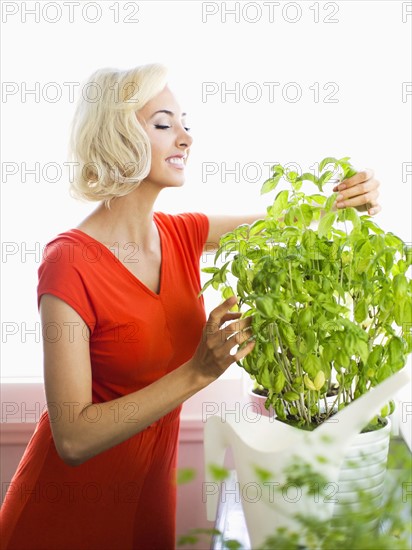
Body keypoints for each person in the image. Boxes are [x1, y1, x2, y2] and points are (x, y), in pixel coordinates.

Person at [0, 63, 381, 550]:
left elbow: (292, 225)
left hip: (147, 503)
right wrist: (198, 372)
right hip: (63, 519)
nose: (185, 138)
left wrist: (351, 197)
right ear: (117, 139)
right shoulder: (68, 263)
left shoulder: (180, 235)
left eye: (186, 123)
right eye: (164, 124)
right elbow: (72, 438)